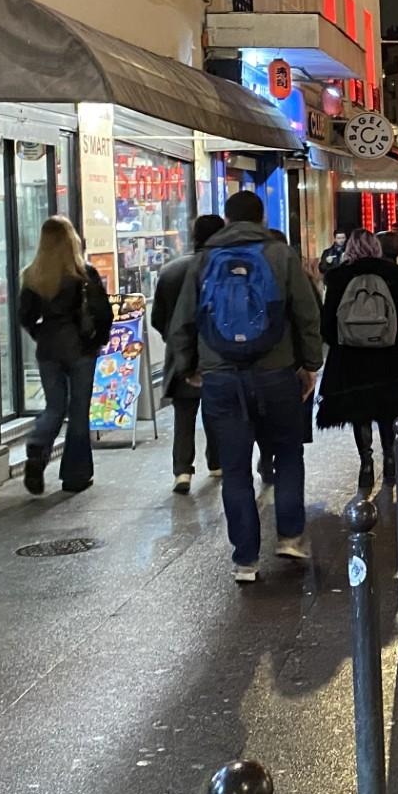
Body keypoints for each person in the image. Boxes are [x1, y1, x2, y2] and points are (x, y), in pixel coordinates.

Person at [168, 189, 324, 583]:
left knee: (235, 469)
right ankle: (289, 536)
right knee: (287, 454)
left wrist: (189, 367)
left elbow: (183, 320)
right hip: (276, 373)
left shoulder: (204, 259)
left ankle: (245, 559)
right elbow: (307, 313)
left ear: (227, 217)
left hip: (221, 376)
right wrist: (310, 364)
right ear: (260, 217)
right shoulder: (280, 255)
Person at [16, 216, 114, 495]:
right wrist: (97, 341)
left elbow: (26, 317)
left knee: (54, 406)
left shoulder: (32, 276)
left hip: (48, 349)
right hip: (80, 349)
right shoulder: (84, 274)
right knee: (78, 411)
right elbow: (103, 314)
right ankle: (75, 475)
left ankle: (36, 450)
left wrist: (41, 336)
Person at [317, 228, 398, 493]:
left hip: (350, 357)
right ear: (376, 247)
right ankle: (391, 458)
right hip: (387, 355)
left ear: (349, 248)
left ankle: (366, 464)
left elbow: (327, 323)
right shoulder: (393, 274)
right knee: (387, 409)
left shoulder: (337, 277)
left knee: (358, 412)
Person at [151, 213, 226, 495]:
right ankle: (217, 462)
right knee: (216, 412)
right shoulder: (222, 268)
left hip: (180, 355)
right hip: (217, 354)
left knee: (183, 416)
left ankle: (182, 471)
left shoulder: (170, 272)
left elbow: (158, 318)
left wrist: (173, 340)